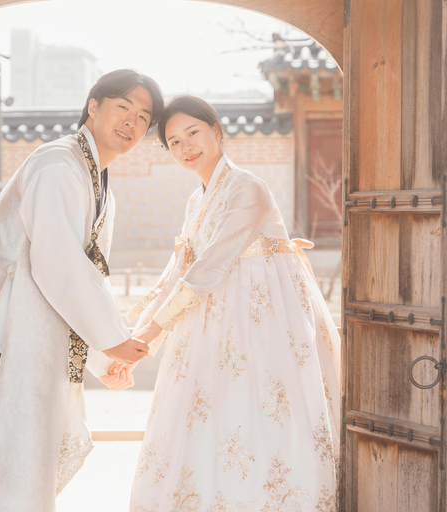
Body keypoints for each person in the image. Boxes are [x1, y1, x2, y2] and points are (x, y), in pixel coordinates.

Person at [0, 69, 164, 512]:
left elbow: (88, 275)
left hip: (31, 342)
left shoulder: (98, 181)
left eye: (144, 117)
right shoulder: (57, 164)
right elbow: (59, 262)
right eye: (123, 107)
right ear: (93, 106)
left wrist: (109, 354)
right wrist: (114, 342)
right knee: (4, 485)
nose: (132, 123)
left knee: (23, 482)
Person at [126, 95, 341, 511]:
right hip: (212, 318)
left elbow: (209, 266)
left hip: (262, 319)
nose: (186, 147)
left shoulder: (246, 187)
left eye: (193, 133)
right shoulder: (196, 200)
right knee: (210, 416)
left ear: (216, 131)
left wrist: (152, 331)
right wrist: (138, 334)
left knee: (261, 412)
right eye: (173, 142)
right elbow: (180, 267)